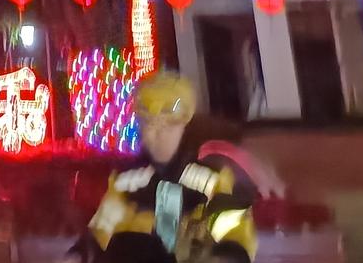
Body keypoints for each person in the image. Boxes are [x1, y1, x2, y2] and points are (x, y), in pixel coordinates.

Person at [81, 70, 257, 260]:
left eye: (166, 126)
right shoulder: (125, 180)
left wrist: (228, 255)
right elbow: (101, 230)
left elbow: (233, 228)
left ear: (183, 126)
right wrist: (80, 254)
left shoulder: (211, 178)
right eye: (148, 124)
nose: (154, 135)